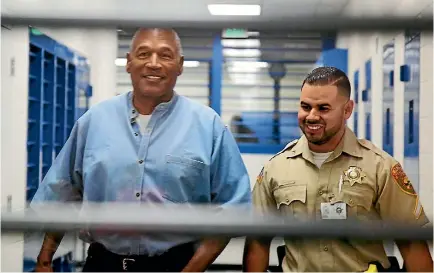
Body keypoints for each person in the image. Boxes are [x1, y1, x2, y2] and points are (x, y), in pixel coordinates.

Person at [31, 28, 252, 272]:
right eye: (144, 54)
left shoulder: (208, 126)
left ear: (180, 65)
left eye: (165, 56)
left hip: (176, 264)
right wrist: (44, 260)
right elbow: (63, 190)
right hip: (102, 264)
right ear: (128, 62)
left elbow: (234, 207)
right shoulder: (94, 121)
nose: (154, 64)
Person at [243, 66, 433, 272]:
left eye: (323, 108)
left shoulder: (380, 167)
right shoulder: (276, 168)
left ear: (347, 110)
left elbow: (411, 243)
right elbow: (257, 241)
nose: (312, 116)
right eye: (305, 107)